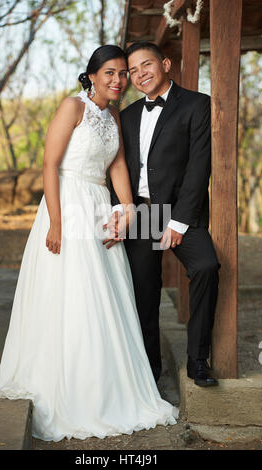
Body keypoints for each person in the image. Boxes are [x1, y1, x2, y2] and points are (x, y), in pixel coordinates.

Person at [0, 45, 178, 442]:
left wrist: (128, 208)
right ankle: (67, 384)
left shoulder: (113, 113)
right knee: (73, 294)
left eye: (123, 73)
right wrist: (56, 221)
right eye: (110, 73)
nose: (119, 80)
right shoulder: (72, 107)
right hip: (67, 202)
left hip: (100, 206)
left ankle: (105, 384)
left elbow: (117, 164)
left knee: (105, 296)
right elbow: (50, 164)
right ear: (92, 75)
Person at [110, 42, 221, 388]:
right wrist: (121, 209)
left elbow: (198, 167)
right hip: (141, 212)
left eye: (147, 65)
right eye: (133, 70)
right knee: (144, 291)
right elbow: (119, 169)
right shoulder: (126, 115)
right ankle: (149, 373)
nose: (140, 74)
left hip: (179, 212)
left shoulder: (196, 104)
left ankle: (197, 360)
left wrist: (177, 222)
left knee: (206, 267)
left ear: (166, 64)